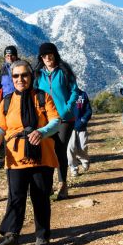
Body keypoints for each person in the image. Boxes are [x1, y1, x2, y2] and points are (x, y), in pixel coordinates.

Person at [0, 60, 61, 245]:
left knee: (41, 196)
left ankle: (42, 237)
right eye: (16, 76)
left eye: (24, 75)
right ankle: (12, 238)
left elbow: (56, 121)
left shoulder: (43, 97)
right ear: (12, 79)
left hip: (42, 155)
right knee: (16, 197)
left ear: (31, 76)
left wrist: (42, 132)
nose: (21, 79)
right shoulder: (7, 101)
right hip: (15, 156)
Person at [33, 42, 78, 199]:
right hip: (47, 120)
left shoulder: (64, 71)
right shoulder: (38, 75)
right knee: (48, 149)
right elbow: (34, 94)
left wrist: (67, 108)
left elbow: (74, 91)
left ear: (55, 55)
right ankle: (48, 184)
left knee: (59, 148)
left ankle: (62, 184)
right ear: (41, 58)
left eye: (50, 55)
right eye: (44, 56)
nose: (47, 58)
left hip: (65, 118)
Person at [68, 87, 92, 177]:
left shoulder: (83, 94)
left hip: (81, 126)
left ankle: (85, 161)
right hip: (69, 127)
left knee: (83, 147)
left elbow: (88, 110)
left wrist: (83, 120)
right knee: (70, 149)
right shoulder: (65, 94)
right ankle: (74, 168)